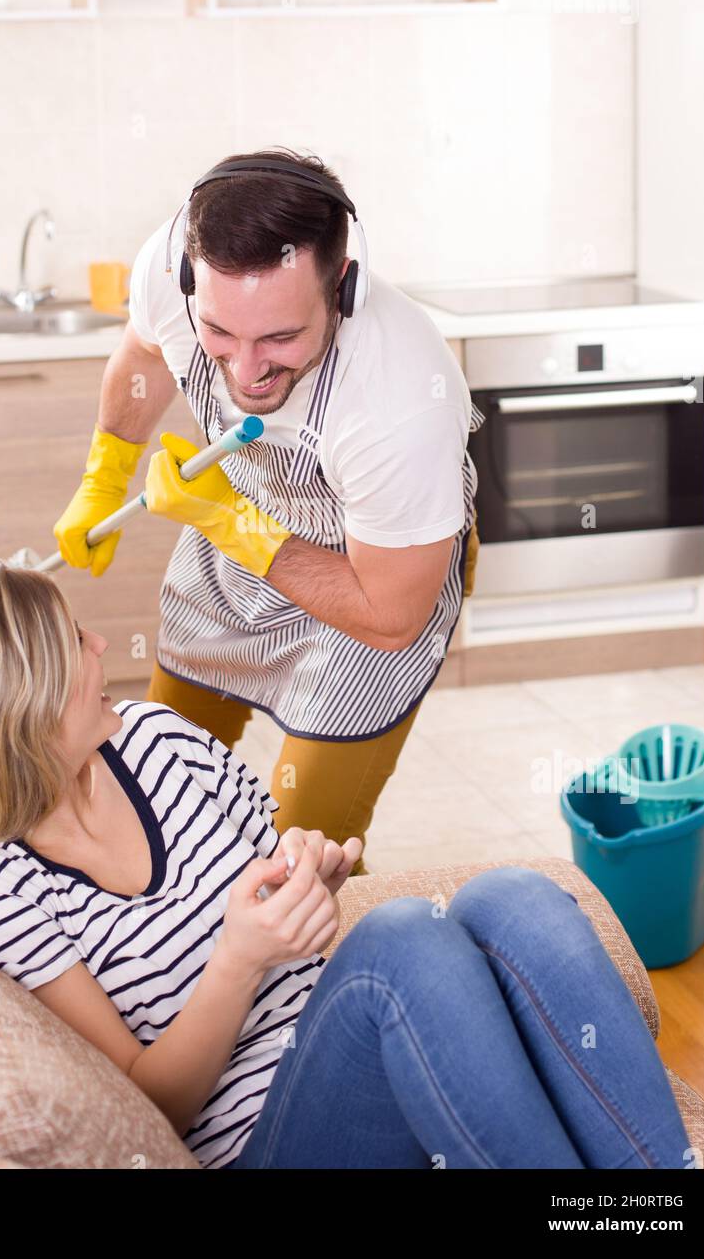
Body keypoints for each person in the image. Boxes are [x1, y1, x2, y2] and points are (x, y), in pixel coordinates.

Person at [0, 562, 690, 1170]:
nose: (98, 644)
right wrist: (238, 958)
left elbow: (274, 885)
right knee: (401, 943)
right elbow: (148, 1103)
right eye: (70, 643)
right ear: (16, 707)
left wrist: (309, 875)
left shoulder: (157, 739)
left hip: (350, 1050)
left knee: (516, 895)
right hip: (263, 1144)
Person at [52, 148, 482, 877]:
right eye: (220, 334)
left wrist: (232, 523)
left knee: (298, 856)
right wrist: (105, 474)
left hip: (373, 579)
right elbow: (145, 357)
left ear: (340, 289)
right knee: (155, 782)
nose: (246, 370)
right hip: (241, 517)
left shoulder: (400, 395)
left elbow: (391, 614)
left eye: (280, 339)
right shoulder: (171, 266)